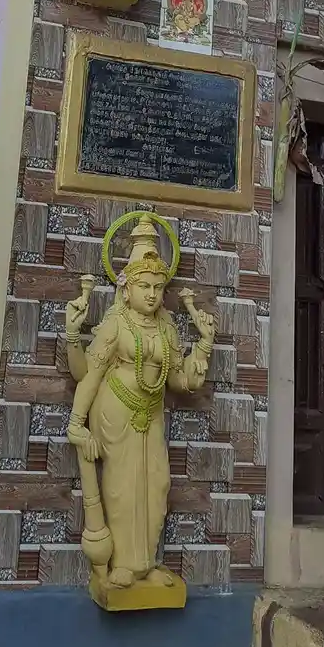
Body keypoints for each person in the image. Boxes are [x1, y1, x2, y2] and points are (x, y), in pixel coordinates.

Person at [66, 214, 215, 589]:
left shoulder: (166, 327)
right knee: (122, 488)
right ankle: (123, 564)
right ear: (126, 289)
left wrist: (202, 350)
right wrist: (76, 423)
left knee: (157, 485)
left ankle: (147, 563)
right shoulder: (116, 324)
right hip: (115, 413)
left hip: (152, 413)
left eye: (158, 287)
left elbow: (178, 379)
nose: (151, 294)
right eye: (144, 286)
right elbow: (90, 375)